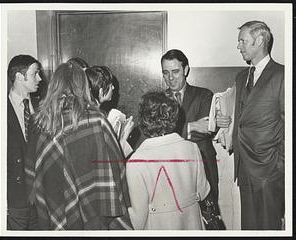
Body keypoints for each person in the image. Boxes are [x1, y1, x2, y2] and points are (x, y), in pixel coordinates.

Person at [24, 61, 133, 230]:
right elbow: (115, 166)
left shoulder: (38, 121)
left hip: (55, 203)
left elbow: (31, 170)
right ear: (83, 86)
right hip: (94, 208)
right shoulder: (96, 120)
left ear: (54, 85)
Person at [217, 21, 284, 230]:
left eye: (242, 41)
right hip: (243, 166)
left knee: (268, 227)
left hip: (269, 171)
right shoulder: (241, 76)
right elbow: (243, 118)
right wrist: (225, 123)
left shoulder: (282, 75)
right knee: (249, 227)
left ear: (260, 40)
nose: (238, 46)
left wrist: (279, 166)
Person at [126, 91, 210, 230]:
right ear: (174, 117)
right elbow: (202, 191)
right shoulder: (192, 148)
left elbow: (138, 220)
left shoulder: (136, 161)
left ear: (143, 120)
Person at [161, 49, 219, 203]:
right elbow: (155, 134)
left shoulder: (204, 95)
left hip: (203, 164)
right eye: (165, 73)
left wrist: (170, 133)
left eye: (175, 71)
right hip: (170, 167)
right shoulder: (158, 101)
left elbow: (206, 129)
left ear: (186, 70)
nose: (170, 78)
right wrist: (191, 126)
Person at [7, 54, 42, 230]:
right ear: (20, 77)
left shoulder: (40, 105)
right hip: (16, 200)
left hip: (40, 199)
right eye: (35, 73)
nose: (40, 78)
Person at [85, 65, 134, 158]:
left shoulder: (89, 113)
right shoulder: (97, 119)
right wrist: (125, 135)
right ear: (100, 91)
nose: (113, 88)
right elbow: (107, 160)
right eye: (110, 85)